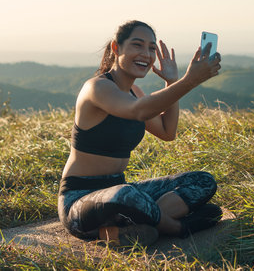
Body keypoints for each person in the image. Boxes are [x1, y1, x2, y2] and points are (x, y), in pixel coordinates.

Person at [58, 20, 222, 247]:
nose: (146, 54)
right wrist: (189, 81)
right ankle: (177, 227)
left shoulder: (135, 91)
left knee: (202, 181)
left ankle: (129, 228)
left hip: (120, 192)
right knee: (126, 196)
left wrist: (171, 81)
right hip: (80, 201)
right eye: (137, 45)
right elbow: (139, 111)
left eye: (151, 48)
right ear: (116, 48)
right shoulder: (97, 88)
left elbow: (167, 132)